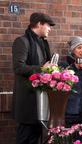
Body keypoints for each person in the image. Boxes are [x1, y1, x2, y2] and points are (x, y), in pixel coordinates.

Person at [12, 12, 55, 144]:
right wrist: (42, 68)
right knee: (25, 139)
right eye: (48, 25)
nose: (50, 28)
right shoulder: (22, 41)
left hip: (40, 100)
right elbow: (19, 68)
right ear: (39, 24)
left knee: (35, 138)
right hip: (27, 101)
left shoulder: (42, 43)